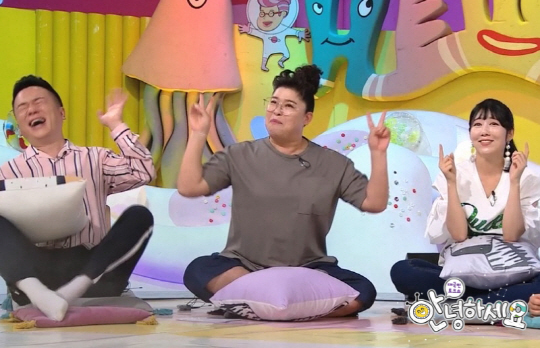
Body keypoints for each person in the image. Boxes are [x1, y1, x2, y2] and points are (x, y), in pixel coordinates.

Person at [178, 64, 390, 314]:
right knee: (198, 270)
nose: (277, 110)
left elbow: (374, 203)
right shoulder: (239, 154)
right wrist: (198, 133)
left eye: (289, 106)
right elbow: (190, 187)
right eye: (273, 102)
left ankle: (253, 303)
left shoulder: (334, 164)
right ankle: (292, 308)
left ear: (307, 118)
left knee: (363, 291)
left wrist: (378, 153)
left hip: (307, 270)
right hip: (243, 267)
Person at [0, 75, 155, 322]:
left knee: (140, 216)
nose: (32, 110)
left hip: (94, 272)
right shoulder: (8, 172)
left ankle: (66, 295)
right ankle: (40, 295)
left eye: (39, 102)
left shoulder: (96, 158)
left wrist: (116, 125)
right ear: (18, 123)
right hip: (35, 270)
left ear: (61, 113)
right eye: (23, 107)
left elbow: (144, 171)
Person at [390, 99, 540, 307]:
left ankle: (459, 304)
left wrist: (514, 182)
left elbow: (511, 235)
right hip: (464, 273)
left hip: (513, 273)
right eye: (477, 125)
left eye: (493, 124)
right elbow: (459, 235)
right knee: (404, 270)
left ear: (509, 133)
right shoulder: (455, 173)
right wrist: (452, 183)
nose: (484, 131)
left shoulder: (525, 177)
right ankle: (497, 302)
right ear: (470, 133)